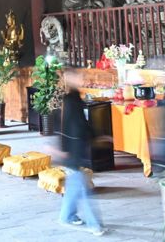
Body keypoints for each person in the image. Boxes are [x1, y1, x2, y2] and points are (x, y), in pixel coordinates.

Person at [58, 67, 106, 236]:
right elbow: (70, 126)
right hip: (73, 149)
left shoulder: (75, 97)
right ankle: (94, 224)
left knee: (75, 186)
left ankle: (67, 215)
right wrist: (64, 150)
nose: (81, 79)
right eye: (77, 76)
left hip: (75, 148)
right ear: (70, 78)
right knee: (83, 190)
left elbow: (81, 123)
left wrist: (95, 135)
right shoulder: (69, 99)